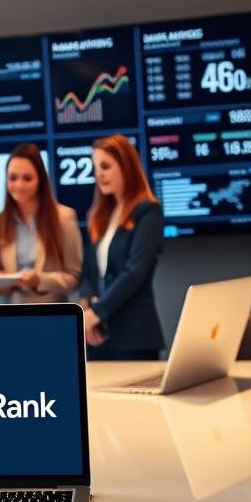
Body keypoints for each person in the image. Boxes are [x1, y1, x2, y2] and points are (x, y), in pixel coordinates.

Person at [79, 134, 164, 360]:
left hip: (134, 337)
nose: (99, 174)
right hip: (98, 336)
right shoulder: (99, 216)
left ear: (126, 166)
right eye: (96, 168)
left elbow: (135, 270)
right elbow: (87, 273)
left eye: (105, 166)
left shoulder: (148, 212)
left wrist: (96, 313)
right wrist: (86, 308)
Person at [0, 143, 82, 303]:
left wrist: (40, 280)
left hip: (53, 311)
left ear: (40, 180)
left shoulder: (64, 218)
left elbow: (74, 277)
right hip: (12, 310)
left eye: (27, 178)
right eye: (13, 178)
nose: (19, 185)